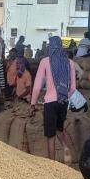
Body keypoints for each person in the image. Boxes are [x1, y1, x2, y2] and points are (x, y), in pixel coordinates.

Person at [30, 36, 76, 164]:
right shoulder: (69, 62)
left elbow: (38, 84)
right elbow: (73, 88)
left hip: (50, 103)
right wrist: (64, 97)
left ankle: (52, 166)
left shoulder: (45, 61)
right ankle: (67, 153)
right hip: (63, 102)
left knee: (50, 136)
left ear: (50, 46)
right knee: (60, 130)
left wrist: (33, 103)